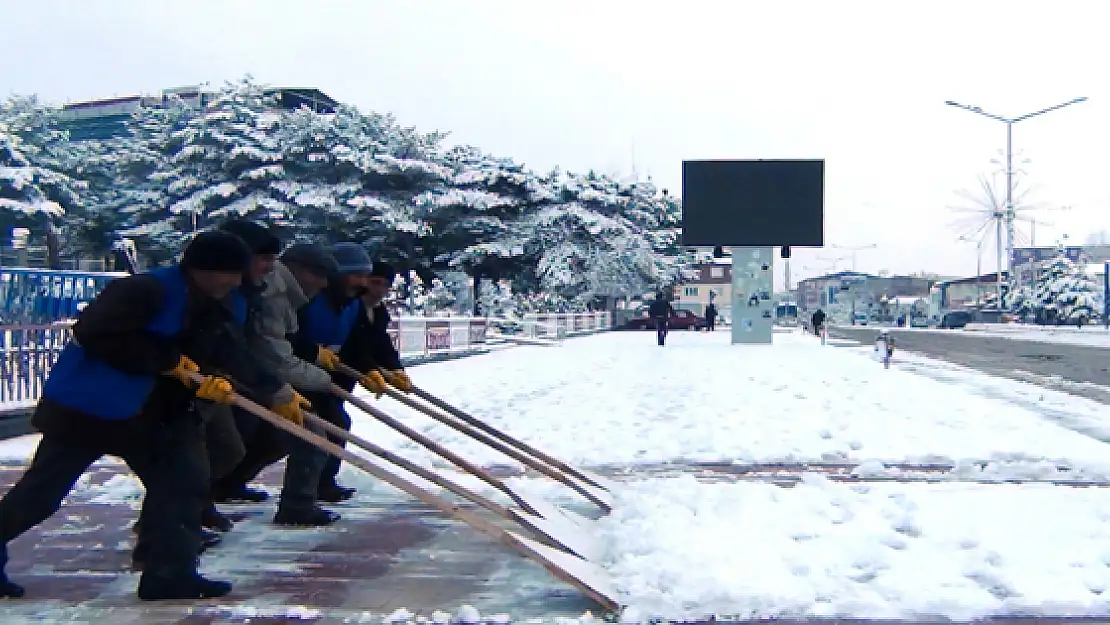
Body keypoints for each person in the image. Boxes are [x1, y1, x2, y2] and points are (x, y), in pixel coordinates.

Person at [0, 231, 297, 601]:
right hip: (89, 411)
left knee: (183, 484)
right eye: (230, 274)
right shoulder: (145, 291)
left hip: (157, 414)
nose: (237, 282)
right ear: (202, 269)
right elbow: (96, 333)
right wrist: (168, 361)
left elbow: (227, 349)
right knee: (41, 494)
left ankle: (170, 573)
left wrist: (274, 390)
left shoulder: (216, 302)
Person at [212, 242, 345, 526]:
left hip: (248, 376)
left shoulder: (283, 293)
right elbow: (272, 355)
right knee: (309, 432)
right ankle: (297, 507)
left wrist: (312, 355)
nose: (322, 284)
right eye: (318, 274)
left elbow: (286, 342)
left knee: (268, 439)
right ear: (296, 268)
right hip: (240, 377)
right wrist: (324, 381)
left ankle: (221, 489)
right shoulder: (273, 293)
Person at [294, 243, 390, 502]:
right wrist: (311, 352)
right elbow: (284, 338)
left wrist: (370, 370)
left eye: (364, 276)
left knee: (335, 423)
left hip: (323, 377)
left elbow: (359, 344)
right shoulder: (308, 301)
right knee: (313, 431)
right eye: (354, 275)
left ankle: (320, 485)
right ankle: (298, 501)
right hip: (290, 373)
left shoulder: (353, 306)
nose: (361, 282)